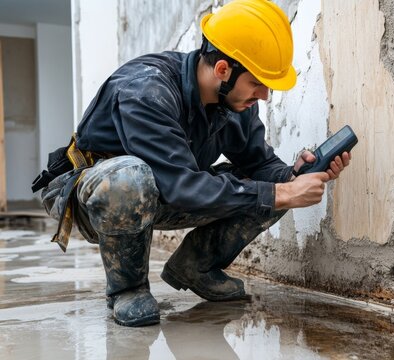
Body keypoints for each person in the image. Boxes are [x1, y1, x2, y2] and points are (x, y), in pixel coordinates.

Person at [32, 0, 351, 327]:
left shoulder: (233, 102)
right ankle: (127, 289)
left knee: (274, 187)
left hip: (164, 191)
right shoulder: (146, 90)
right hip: (97, 197)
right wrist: (282, 192)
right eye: (257, 83)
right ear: (224, 70)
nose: (264, 95)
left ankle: (196, 266)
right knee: (131, 178)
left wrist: (296, 174)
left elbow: (259, 164)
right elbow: (182, 186)